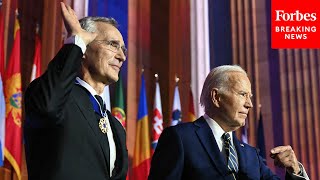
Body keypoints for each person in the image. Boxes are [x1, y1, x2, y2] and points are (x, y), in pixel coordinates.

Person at [148, 65, 309, 180]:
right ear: (216, 97)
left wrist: (295, 170)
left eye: (250, 97)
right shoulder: (181, 138)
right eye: (242, 94)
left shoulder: (251, 155)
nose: (249, 104)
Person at [24, 2, 128, 179]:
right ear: (85, 49)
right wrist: (76, 42)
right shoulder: (56, 97)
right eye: (113, 45)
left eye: (123, 49)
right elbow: (46, 107)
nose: (122, 56)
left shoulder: (116, 126)